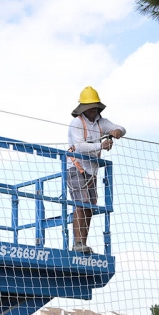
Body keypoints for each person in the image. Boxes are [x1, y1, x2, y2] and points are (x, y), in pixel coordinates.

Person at [66, 87, 125, 254]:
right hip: (76, 167)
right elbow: (79, 147)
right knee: (81, 203)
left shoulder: (101, 122)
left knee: (90, 206)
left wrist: (116, 132)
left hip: (91, 172)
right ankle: (78, 243)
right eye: (89, 106)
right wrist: (101, 145)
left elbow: (121, 128)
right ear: (83, 108)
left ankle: (82, 243)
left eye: (94, 106)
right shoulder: (77, 123)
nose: (93, 109)